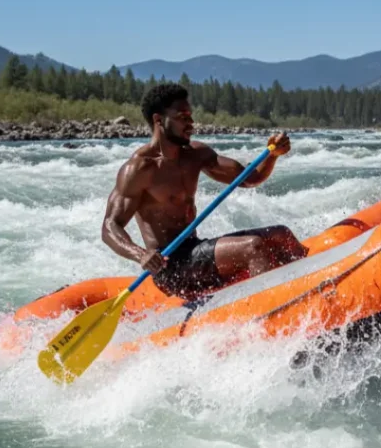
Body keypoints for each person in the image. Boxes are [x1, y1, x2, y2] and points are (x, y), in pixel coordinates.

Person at [101, 83, 308, 301]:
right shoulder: (140, 169)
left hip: (195, 250)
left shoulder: (196, 155)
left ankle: (312, 290)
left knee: (281, 234)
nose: (191, 123)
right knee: (253, 247)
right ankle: (274, 313)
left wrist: (272, 155)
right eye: (183, 117)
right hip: (170, 268)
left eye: (191, 116)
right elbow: (109, 226)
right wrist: (141, 255)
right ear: (158, 120)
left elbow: (250, 178)